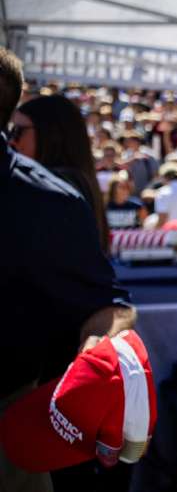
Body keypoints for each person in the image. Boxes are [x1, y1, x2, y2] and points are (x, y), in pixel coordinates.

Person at [0, 49, 137, 492]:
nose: (16, 139)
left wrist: (95, 354)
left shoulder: (47, 195)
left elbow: (108, 304)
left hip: (17, 411)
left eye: (22, 130)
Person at [10, 93, 110, 252]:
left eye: (18, 130)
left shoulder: (57, 186)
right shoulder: (77, 181)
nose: (12, 140)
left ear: (51, 134)